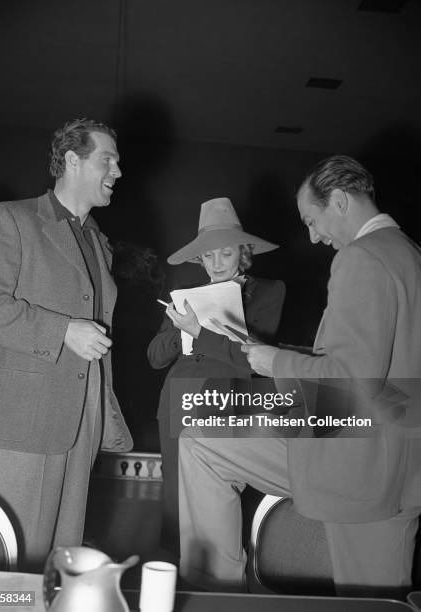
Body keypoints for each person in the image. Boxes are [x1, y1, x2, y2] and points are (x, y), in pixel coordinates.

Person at [178, 156, 421, 598]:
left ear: (342, 202)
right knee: (202, 435)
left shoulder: (362, 257)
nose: (313, 236)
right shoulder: (408, 252)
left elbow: (350, 380)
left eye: (313, 220)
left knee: (372, 604)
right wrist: (287, 354)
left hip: (358, 455)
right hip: (399, 452)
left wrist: (274, 363)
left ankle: (216, 595)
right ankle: (218, 593)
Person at [0, 118, 132, 570]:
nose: (117, 170)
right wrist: (62, 330)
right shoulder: (12, 217)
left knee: (61, 561)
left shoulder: (99, 242)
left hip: (82, 419)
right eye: (108, 159)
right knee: (16, 560)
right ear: (72, 161)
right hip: (25, 417)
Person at [148, 197, 285, 558]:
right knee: (176, 501)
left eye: (225, 253)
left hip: (229, 401)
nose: (217, 263)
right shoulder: (183, 298)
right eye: (208, 256)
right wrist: (183, 331)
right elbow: (155, 358)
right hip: (179, 401)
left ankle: (221, 580)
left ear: (243, 252)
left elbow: (258, 358)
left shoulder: (270, 292)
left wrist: (203, 329)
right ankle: (179, 580)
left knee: (221, 502)